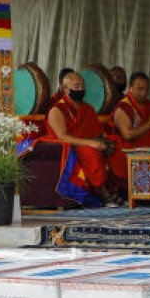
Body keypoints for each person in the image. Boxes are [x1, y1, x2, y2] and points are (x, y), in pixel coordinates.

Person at [46, 72, 124, 206]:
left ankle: (119, 190)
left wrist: (105, 141)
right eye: (76, 86)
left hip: (88, 142)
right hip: (70, 147)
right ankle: (104, 194)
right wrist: (92, 143)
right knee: (90, 152)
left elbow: (97, 133)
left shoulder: (87, 108)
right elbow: (63, 137)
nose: (81, 89)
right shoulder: (56, 110)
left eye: (83, 85)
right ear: (65, 89)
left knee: (116, 143)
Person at [112, 72, 150, 150]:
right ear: (130, 88)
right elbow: (127, 135)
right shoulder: (124, 107)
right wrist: (149, 124)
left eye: (146, 89)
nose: (144, 93)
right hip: (129, 154)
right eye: (139, 89)